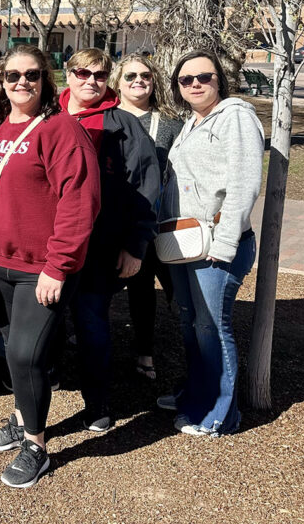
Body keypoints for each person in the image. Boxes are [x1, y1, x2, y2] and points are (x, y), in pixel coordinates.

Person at [0, 45, 100, 489]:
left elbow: (79, 201)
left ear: (46, 80)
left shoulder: (60, 129)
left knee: (24, 354)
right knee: (12, 345)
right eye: (12, 76)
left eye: (31, 75)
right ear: (0, 81)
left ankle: (36, 444)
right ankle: (22, 415)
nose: (21, 83)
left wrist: (58, 265)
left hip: (40, 267)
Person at [156, 50, 263, 436]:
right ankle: (197, 393)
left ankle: (220, 414)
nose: (196, 84)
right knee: (192, 323)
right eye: (187, 80)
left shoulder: (235, 115)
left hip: (216, 242)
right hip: (187, 241)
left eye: (204, 76)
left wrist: (226, 243)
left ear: (220, 79)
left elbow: (245, 182)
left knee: (212, 327)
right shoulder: (192, 123)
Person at [60, 48, 160, 432]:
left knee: (92, 324)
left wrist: (136, 245)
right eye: (82, 73)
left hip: (99, 247)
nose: (91, 81)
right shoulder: (46, 118)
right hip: (48, 247)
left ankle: (97, 402)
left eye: (100, 75)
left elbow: (145, 188)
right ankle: (37, 396)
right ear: (68, 75)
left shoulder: (124, 126)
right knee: (43, 326)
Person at [108, 53, 183, 381]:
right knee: (116, 289)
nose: (138, 81)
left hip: (158, 222)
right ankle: (134, 350)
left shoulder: (170, 123)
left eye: (145, 76)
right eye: (130, 76)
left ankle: (160, 353)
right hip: (112, 223)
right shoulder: (105, 118)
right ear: (117, 83)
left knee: (160, 289)